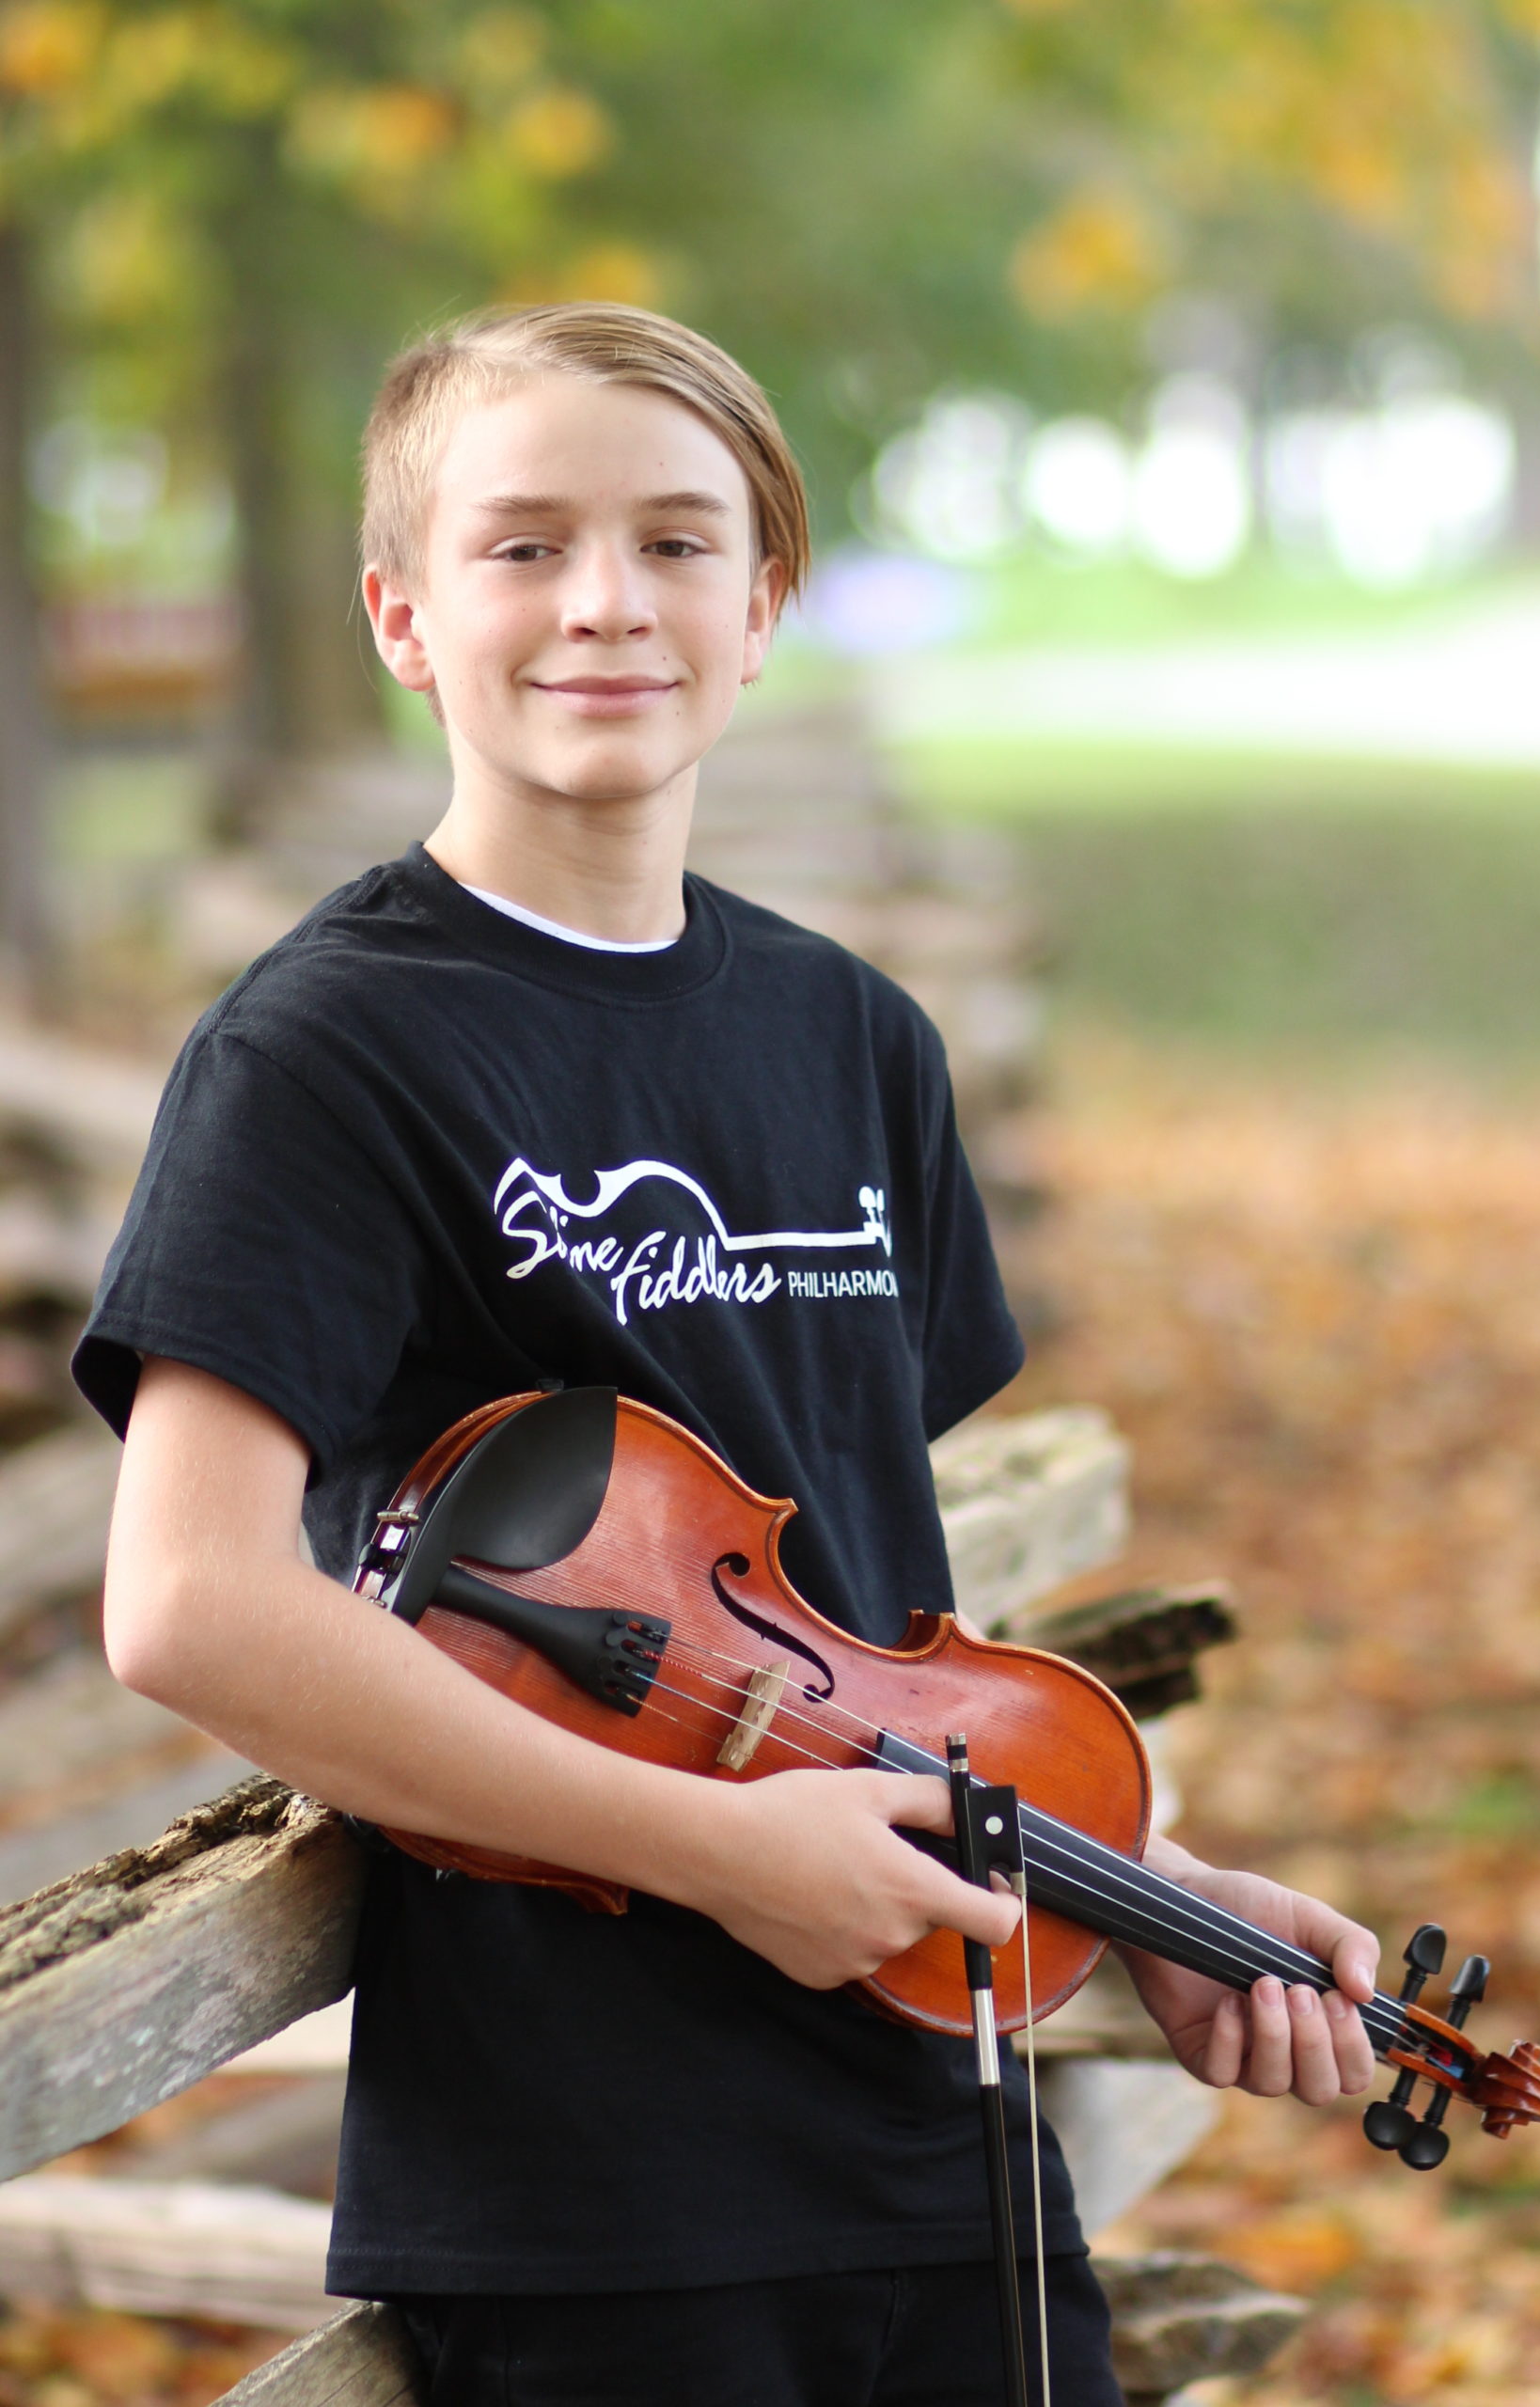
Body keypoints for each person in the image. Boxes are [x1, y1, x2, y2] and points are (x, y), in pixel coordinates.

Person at [76, 305, 1379, 2407]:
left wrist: (1145, 1893)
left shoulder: (853, 1036)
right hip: (598, 2201)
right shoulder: (321, 1055)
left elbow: (859, 1636)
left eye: (677, 543)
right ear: (404, 617)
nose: (606, 600)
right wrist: (711, 1856)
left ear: (762, 607)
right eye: (524, 546)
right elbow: (191, 1603)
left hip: (946, 2148)